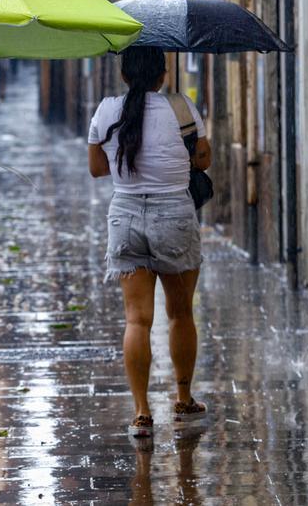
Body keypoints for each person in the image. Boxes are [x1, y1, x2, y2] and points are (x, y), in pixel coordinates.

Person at [86, 46, 211, 437]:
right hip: (174, 215)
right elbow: (204, 158)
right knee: (180, 314)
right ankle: (184, 398)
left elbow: (95, 168)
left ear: (124, 74)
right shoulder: (182, 109)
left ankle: (141, 412)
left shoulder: (107, 111)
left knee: (137, 319)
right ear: (163, 72)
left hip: (125, 218)